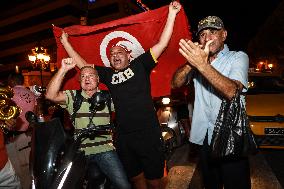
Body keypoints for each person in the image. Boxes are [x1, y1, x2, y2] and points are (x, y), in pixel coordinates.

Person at [59, 1, 182, 188]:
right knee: (135, 179)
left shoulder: (140, 64)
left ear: (129, 55)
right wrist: (66, 43)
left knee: (155, 182)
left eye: (119, 52)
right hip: (123, 137)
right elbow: (82, 64)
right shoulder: (107, 74)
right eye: (111, 53)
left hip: (148, 133)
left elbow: (162, 43)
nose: (115, 54)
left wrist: (171, 14)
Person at [171, 16, 250, 189]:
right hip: (204, 137)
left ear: (224, 35)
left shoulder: (237, 57)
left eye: (213, 32)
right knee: (210, 184)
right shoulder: (196, 62)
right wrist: (192, 64)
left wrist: (202, 65)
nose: (207, 38)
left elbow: (232, 91)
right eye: (202, 34)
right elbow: (175, 83)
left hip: (231, 135)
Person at [45, 60, 131, 189]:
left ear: (98, 79)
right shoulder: (74, 96)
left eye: (90, 75)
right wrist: (63, 69)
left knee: (124, 186)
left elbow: (129, 105)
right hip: (80, 151)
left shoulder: (108, 97)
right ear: (79, 81)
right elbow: (50, 95)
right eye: (83, 76)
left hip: (105, 150)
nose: (87, 78)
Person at [5, 73, 36, 189]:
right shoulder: (31, 93)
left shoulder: (9, 93)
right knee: (29, 170)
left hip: (13, 138)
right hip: (27, 135)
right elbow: (35, 113)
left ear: (12, 80)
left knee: (17, 173)